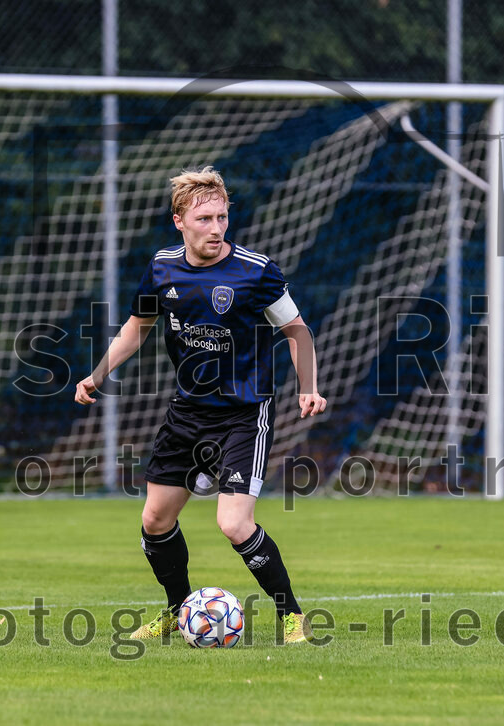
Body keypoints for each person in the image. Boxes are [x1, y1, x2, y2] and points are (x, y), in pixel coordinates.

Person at [75, 167, 327, 644]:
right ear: (179, 221)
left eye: (222, 217)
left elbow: (296, 329)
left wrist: (307, 386)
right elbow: (137, 327)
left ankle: (292, 615)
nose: (216, 228)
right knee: (154, 519)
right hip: (188, 412)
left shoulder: (255, 271)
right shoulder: (163, 266)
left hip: (243, 413)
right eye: (205, 218)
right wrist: (97, 373)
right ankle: (176, 611)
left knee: (233, 522)